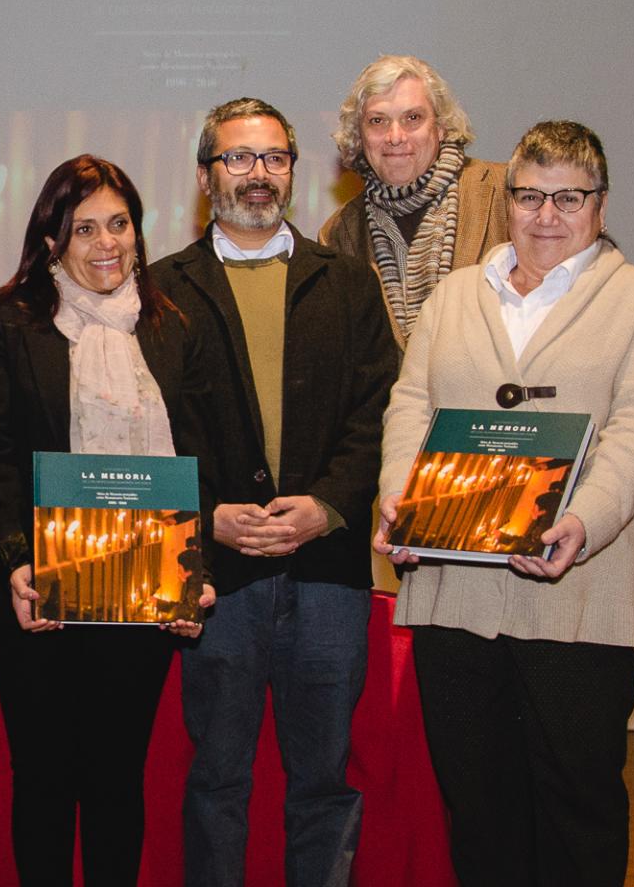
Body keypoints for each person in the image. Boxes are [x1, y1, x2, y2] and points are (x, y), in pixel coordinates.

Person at [373, 121, 634, 886]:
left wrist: (581, 518)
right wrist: (398, 497)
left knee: (575, 802)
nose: (546, 215)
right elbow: (410, 404)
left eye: (568, 197)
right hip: (456, 593)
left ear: (601, 206)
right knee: (478, 807)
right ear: (506, 200)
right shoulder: (454, 296)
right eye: (529, 195)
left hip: (583, 592)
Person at [0, 154, 217, 887]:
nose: (107, 243)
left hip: (140, 596)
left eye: (120, 224)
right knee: (42, 774)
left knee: (115, 778)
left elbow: (197, 458)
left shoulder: (171, 327)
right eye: (84, 228)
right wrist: (17, 560)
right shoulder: (6, 323)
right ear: (51, 242)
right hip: (36, 593)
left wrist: (195, 574)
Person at [153, 98, 398, 886]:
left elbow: (379, 413)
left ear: (294, 171)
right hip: (217, 575)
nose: (258, 175)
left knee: (324, 781)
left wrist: (327, 505)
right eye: (238, 158)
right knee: (218, 779)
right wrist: (203, 516)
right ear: (204, 175)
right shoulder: (159, 292)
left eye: (274, 159)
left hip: (328, 572)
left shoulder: (349, 284)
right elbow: (147, 430)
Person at [320, 55, 509, 347]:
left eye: (413, 118)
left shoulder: (505, 191)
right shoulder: (338, 233)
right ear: (360, 136)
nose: (395, 137)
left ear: (442, 126)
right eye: (377, 121)